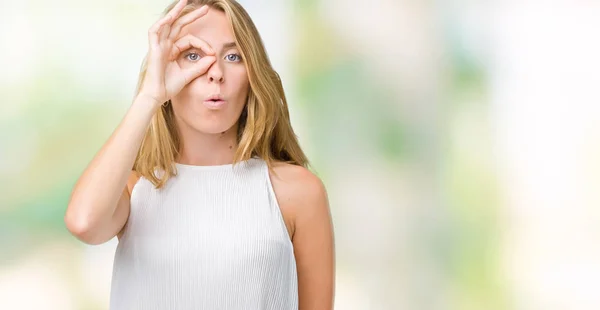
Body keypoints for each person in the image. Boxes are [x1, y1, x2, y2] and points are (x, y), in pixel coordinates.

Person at [64, 0, 335, 309]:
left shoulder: (297, 192)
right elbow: (84, 223)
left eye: (233, 56)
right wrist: (150, 96)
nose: (215, 73)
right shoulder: (133, 190)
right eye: (193, 56)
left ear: (252, 73)